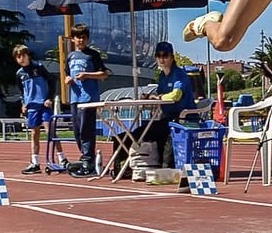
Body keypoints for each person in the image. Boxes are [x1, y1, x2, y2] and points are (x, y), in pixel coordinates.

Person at [113, 41, 195, 176]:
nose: (162, 59)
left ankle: (160, 167)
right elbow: (159, 94)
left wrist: (158, 98)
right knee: (123, 136)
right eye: (158, 55)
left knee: (152, 133)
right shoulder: (162, 76)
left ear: (172, 57)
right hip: (166, 119)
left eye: (165, 55)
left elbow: (176, 95)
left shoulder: (179, 74)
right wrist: (149, 97)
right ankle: (122, 168)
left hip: (182, 120)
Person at [65, 23, 109, 177]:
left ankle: (89, 160)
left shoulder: (93, 55)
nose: (81, 40)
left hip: (89, 98)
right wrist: (68, 79)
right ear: (72, 39)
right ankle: (84, 156)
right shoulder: (70, 56)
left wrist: (87, 75)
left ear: (87, 39)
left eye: (83, 38)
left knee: (86, 129)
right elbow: (66, 74)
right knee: (77, 131)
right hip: (74, 98)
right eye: (78, 37)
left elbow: (104, 74)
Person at [13, 44, 56, 174]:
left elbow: (52, 82)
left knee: (50, 131)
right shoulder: (19, 74)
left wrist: (49, 98)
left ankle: (61, 158)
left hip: (44, 104)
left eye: (23, 55)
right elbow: (22, 91)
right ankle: (35, 162)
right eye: (18, 57)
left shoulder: (39, 67)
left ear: (28, 55)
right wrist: (23, 103)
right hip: (32, 107)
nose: (21, 59)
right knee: (34, 133)